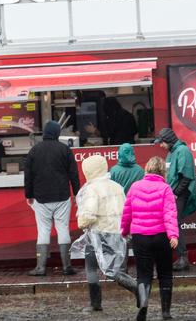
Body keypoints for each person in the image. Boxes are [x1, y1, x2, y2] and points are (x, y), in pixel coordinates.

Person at [72, 155, 137, 312]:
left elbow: (88, 215)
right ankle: (137, 289)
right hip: (117, 233)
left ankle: (97, 303)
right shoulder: (116, 186)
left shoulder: (91, 189)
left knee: (93, 268)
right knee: (113, 269)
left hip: (98, 234)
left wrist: (81, 221)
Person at [121, 156, 179, 321]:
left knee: (143, 274)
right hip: (161, 236)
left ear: (147, 169)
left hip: (140, 237)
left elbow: (127, 212)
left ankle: (144, 306)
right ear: (162, 171)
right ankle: (166, 312)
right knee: (165, 273)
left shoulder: (135, 187)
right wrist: (173, 235)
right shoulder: (166, 188)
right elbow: (170, 214)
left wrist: (124, 231)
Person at [24, 120, 80, 276]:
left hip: (41, 198)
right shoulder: (65, 150)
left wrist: (29, 195)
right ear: (57, 133)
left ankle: (40, 268)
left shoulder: (34, 151)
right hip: (62, 197)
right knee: (63, 229)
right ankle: (67, 266)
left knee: (43, 231)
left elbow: (28, 175)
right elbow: (73, 174)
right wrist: (76, 192)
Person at [154, 128, 196, 271]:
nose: (160, 146)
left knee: (175, 224)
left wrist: (175, 194)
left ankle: (183, 258)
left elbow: (186, 177)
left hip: (179, 194)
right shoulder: (171, 153)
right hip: (171, 195)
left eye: (162, 143)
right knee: (172, 225)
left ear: (168, 141)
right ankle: (179, 257)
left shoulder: (182, 151)